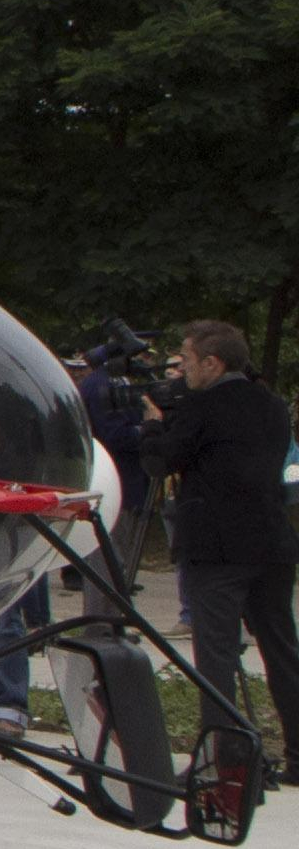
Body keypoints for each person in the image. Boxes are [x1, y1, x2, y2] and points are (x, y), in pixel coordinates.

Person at [125, 319, 295, 760]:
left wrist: (152, 426)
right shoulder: (273, 405)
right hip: (271, 541)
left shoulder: (204, 408)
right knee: (281, 650)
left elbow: (163, 463)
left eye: (188, 362)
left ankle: (228, 759)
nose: (183, 373)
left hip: (216, 547)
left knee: (216, 658)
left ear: (213, 363)